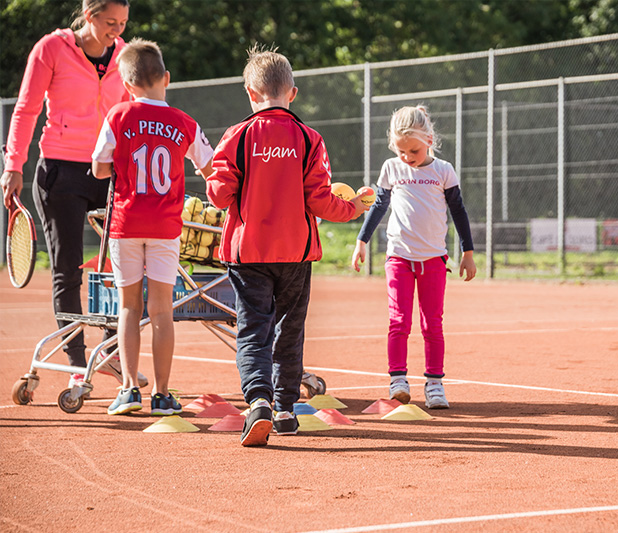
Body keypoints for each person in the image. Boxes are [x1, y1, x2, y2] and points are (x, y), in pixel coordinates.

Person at [206, 45, 368, 446]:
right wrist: (352, 208)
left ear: (249, 92)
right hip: (296, 252)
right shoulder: (309, 139)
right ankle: (284, 409)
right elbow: (319, 199)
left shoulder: (236, 136)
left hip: (248, 253)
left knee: (253, 329)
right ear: (292, 93)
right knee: (289, 330)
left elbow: (219, 195)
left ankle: (258, 402)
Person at [0, 0, 148, 389]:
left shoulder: (124, 55)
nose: (116, 30)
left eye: (122, 23)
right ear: (89, 15)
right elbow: (27, 110)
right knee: (67, 269)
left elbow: (133, 112)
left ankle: (113, 356)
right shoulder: (51, 49)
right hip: (60, 171)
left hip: (108, 173)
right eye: (109, 22)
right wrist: (13, 165)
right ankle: (77, 364)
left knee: (122, 268)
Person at [92, 38, 215, 415]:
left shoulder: (118, 114)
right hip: (166, 226)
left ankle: (129, 389)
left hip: (126, 223)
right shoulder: (184, 122)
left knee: (129, 307)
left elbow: (99, 168)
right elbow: (210, 168)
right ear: (166, 78)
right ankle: (162, 394)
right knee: (162, 309)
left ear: (127, 85)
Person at [351, 105, 477, 409]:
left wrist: (468, 252)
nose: (407, 156)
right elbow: (379, 206)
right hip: (399, 257)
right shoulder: (392, 168)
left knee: (432, 323)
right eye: (401, 150)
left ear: (430, 140)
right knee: (399, 321)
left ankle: (434, 384)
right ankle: (398, 380)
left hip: (434, 259)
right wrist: (361, 242)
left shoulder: (443, 171)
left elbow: (458, 212)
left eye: (414, 150)